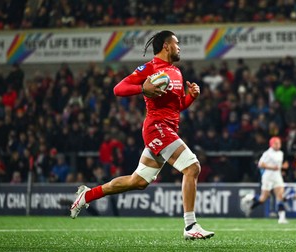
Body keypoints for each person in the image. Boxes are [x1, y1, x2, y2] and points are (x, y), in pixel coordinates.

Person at [70, 30, 214, 240]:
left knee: (137, 182)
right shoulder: (150, 68)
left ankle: (87, 195)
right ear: (166, 46)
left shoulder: (175, 72)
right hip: (157, 127)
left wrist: (191, 98)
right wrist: (142, 88)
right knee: (192, 167)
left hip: (167, 128)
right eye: (177, 43)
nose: (179, 47)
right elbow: (118, 89)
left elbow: (177, 108)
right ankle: (190, 226)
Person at [240, 137, 289, 224]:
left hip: (277, 176)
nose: (278, 145)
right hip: (268, 176)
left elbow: (278, 165)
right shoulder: (267, 153)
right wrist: (272, 168)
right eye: (276, 143)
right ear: (271, 144)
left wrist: (282, 167)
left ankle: (282, 218)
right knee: (263, 198)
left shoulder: (281, 153)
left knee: (280, 196)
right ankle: (249, 198)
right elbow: (260, 164)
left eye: (279, 143)